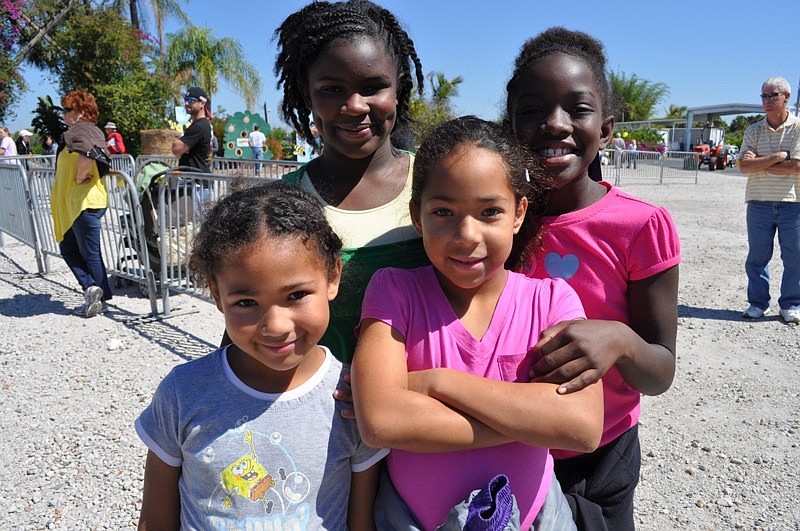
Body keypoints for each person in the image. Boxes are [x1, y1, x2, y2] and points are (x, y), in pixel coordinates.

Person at [352, 116, 604, 530]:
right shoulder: (395, 292)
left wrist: (438, 384)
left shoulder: (552, 301)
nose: (467, 235)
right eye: (444, 212)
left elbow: (580, 426)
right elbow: (381, 421)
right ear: (418, 216)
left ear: (518, 213)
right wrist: (530, 422)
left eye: (489, 211)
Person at [505, 27, 680, 530]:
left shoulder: (641, 226)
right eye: (533, 110)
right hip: (505, 444)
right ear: (510, 122)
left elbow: (661, 371)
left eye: (577, 109)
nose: (554, 124)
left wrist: (621, 341)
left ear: (605, 129)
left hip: (600, 458)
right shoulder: (494, 222)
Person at [136, 181, 385, 529]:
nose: (276, 325)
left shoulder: (351, 398)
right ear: (217, 295)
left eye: (296, 295)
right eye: (247, 303)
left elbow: (361, 522)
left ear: (332, 277)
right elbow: (155, 520)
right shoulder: (183, 394)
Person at [264, 0, 428, 363]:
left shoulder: (439, 185)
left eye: (373, 86)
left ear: (398, 88)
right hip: (322, 412)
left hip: (427, 406)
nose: (354, 105)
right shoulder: (279, 203)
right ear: (307, 94)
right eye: (332, 89)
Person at [739, 76, 800, 324]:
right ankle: (757, 303)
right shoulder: (754, 129)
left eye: (772, 95)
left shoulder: (798, 128)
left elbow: (796, 165)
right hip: (758, 201)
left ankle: (791, 304)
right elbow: (743, 165)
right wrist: (776, 156)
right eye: (763, 96)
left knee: (794, 255)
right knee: (757, 256)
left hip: (792, 203)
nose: (766, 100)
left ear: (786, 97)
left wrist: (760, 162)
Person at [50, 89, 113, 318]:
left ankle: (98, 299)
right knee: (70, 249)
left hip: (84, 202)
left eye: (68, 109)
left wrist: (79, 176)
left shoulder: (84, 129)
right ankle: (93, 290)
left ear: (81, 112)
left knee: (88, 253)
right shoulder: (78, 131)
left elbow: (89, 152)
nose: (64, 114)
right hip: (76, 204)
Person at [172, 86, 212, 173]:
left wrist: (176, 143)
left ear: (202, 103)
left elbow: (176, 149)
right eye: (185, 100)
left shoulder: (199, 126)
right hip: (194, 178)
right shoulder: (201, 124)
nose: (186, 103)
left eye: (191, 100)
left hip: (196, 181)